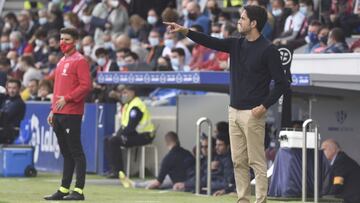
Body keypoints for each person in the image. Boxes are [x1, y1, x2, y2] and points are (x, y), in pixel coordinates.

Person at [165, 5, 289, 203]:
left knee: (256, 161)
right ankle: (243, 199)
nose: (239, 21)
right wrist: (184, 30)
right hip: (234, 110)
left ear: (254, 23)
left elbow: (282, 84)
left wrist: (263, 107)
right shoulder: (236, 44)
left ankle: (261, 199)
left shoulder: (269, 50)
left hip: (253, 113)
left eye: (242, 18)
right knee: (238, 160)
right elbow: (209, 41)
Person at [44, 28, 92, 201]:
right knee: (66, 153)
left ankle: (78, 190)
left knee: (76, 152)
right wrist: (53, 109)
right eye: (61, 39)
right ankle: (64, 189)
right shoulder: (61, 61)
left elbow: (86, 86)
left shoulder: (80, 61)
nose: (63, 42)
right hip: (58, 113)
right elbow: (57, 90)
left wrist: (68, 99)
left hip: (72, 113)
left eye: (67, 39)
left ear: (76, 41)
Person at [105, 85, 155, 178]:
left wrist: (119, 136)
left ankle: (118, 172)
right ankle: (112, 169)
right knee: (108, 139)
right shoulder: (129, 104)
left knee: (114, 141)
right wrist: (117, 134)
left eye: (125, 93)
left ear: (132, 93)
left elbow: (131, 127)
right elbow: (125, 125)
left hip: (143, 136)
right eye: (122, 93)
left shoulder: (136, 106)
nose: (123, 95)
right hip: (135, 134)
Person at [321, 139, 360, 203]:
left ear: (333, 149)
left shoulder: (341, 162)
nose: (322, 152)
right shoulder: (340, 159)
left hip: (352, 199)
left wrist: (325, 195)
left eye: (324, 149)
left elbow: (338, 183)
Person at [0, 79, 26, 144]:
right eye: (9, 88)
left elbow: (6, 117)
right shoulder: (5, 99)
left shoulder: (19, 103)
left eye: (14, 88)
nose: (11, 91)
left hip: (11, 133)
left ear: (19, 89)